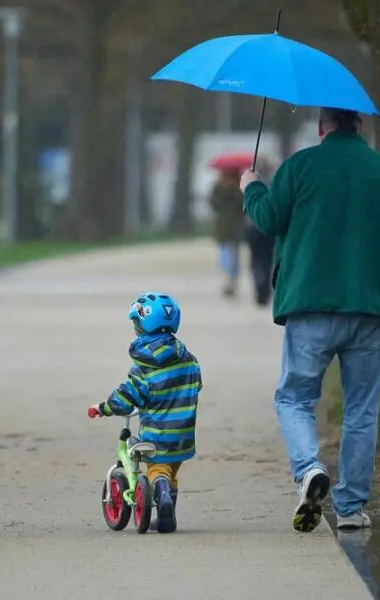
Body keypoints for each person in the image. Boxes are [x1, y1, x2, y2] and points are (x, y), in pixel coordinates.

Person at [239, 107, 380, 533]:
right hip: (370, 308)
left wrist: (252, 188)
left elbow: (268, 219)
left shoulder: (300, 167)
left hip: (310, 305)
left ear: (320, 127)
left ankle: (309, 468)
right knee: (362, 410)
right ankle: (349, 508)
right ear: (359, 124)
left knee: (294, 398)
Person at [87, 292, 202, 533]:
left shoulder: (144, 369)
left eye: (136, 324)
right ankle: (166, 516)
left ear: (143, 326)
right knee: (171, 470)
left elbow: (125, 398)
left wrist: (104, 408)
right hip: (183, 435)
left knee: (157, 469)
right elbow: (196, 385)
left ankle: (160, 493)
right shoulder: (189, 360)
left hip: (157, 433)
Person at [208, 168, 245, 297]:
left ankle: (232, 282)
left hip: (235, 228)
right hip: (224, 228)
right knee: (225, 256)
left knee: (233, 256)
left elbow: (243, 206)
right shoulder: (218, 189)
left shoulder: (239, 189)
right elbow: (213, 204)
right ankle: (228, 280)